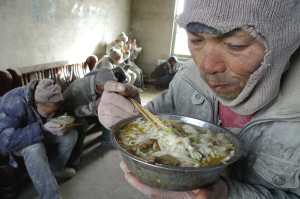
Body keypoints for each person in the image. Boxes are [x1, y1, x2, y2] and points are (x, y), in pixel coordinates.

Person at [97, 0, 300, 198]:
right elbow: (151, 121)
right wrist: (123, 112)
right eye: (196, 40)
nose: (206, 66)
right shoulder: (186, 79)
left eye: (235, 45)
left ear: (282, 41)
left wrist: (230, 195)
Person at [0, 79, 78, 199]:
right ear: (37, 103)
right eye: (51, 112)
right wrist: (43, 128)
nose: (53, 114)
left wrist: (58, 122)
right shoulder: (14, 103)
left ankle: (56, 168)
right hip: (13, 143)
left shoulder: (43, 94)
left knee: (70, 135)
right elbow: (6, 142)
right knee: (35, 148)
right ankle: (50, 196)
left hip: (36, 132)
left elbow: (49, 115)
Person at [62, 67, 119, 165]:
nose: (107, 92)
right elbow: (76, 111)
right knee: (81, 124)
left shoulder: (102, 86)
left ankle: (107, 139)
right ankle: (75, 155)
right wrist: (95, 104)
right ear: (98, 84)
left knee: (110, 111)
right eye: (104, 90)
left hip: (89, 108)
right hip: (69, 111)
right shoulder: (80, 86)